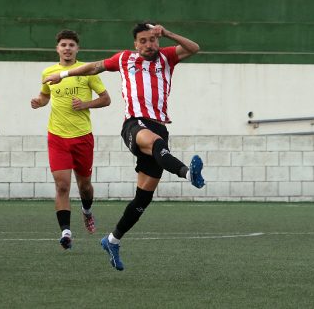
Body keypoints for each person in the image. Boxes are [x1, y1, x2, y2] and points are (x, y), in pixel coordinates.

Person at [43, 22, 205, 271]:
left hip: (159, 125)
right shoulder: (124, 59)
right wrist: (63, 75)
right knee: (154, 142)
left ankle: (112, 240)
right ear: (135, 44)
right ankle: (187, 172)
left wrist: (169, 33)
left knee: (143, 198)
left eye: (152, 40)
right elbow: (93, 67)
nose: (148, 44)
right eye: (143, 41)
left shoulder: (167, 58)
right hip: (134, 124)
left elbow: (194, 48)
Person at [31, 29, 110, 249]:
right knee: (62, 185)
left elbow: (106, 99)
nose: (67, 48)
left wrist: (85, 104)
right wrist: (39, 101)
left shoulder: (88, 71)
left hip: (82, 137)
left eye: (71, 45)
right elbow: (45, 95)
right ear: (57, 48)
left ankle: (87, 210)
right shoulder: (49, 72)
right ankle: (66, 232)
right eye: (63, 45)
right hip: (57, 136)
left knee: (84, 186)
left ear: (77, 49)